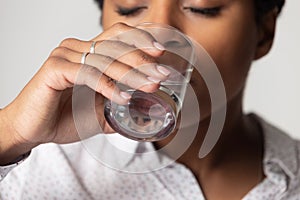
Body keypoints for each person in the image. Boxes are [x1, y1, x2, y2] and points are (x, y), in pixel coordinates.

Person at [0, 0, 299, 199]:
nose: (161, 35)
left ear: (263, 32)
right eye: (130, 8)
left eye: (201, 7)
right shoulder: (39, 167)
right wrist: (10, 132)